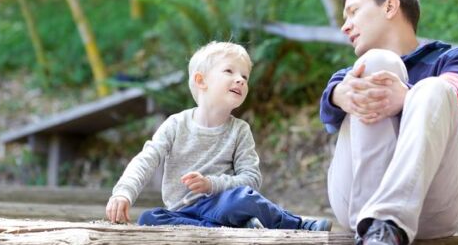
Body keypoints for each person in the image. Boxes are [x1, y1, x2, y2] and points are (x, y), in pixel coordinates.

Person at [320, 0, 458, 245]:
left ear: (390, 6)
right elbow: (328, 113)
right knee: (375, 65)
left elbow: (454, 99)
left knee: (434, 88)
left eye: (353, 12)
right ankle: (377, 230)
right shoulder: (350, 74)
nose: (345, 26)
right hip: (356, 203)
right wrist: (337, 94)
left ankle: (385, 225)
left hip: (435, 206)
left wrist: (405, 97)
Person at [106, 41, 331, 231]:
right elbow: (146, 160)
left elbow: (251, 179)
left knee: (243, 199)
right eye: (229, 71)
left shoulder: (239, 130)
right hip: (182, 213)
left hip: (222, 204)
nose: (241, 79)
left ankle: (299, 225)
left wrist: (211, 184)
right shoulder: (175, 124)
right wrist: (124, 193)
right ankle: (235, 229)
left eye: (244, 76)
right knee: (149, 219)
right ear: (201, 80)